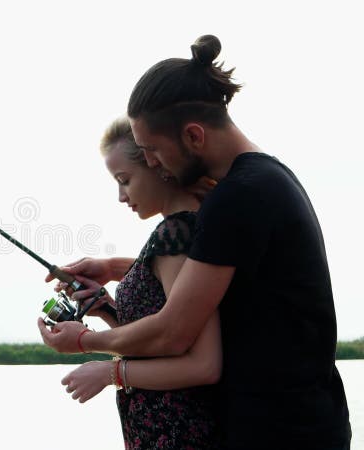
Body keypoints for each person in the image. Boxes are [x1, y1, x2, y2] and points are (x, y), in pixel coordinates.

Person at [38, 35, 351, 449]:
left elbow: (173, 332)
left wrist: (83, 341)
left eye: (152, 151)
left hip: (281, 430)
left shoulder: (238, 197)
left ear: (193, 136)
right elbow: (207, 276)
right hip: (300, 421)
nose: (151, 163)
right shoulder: (263, 178)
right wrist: (116, 268)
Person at [59, 116, 222, 449]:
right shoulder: (176, 236)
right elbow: (163, 337)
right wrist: (105, 306)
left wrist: (107, 370)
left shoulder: (175, 235)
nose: (121, 196)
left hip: (180, 436)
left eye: (125, 180)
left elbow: (202, 363)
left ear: (156, 164)